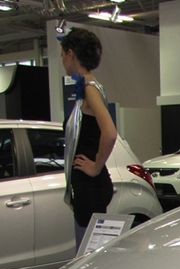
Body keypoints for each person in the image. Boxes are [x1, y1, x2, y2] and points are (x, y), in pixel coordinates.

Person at [59, 27, 117, 249]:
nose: (62, 60)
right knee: (88, 252)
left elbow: (110, 133)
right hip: (87, 187)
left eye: (62, 54)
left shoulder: (90, 88)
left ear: (71, 54)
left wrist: (95, 166)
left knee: (88, 255)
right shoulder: (88, 87)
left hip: (90, 186)